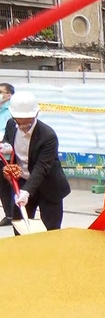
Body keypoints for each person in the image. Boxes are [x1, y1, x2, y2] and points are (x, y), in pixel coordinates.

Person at [0, 91, 71, 232]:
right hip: (22, 182)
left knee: (51, 230)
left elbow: (42, 167)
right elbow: (8, 140)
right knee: (20, 227)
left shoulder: (48, 136)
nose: (23, 127)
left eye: (28, 123)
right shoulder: (11, 125)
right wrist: (6, 147)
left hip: (49, 186)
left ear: (36, 114)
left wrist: (26, 192)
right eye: (19, 122)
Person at [0, 82, 13, 226]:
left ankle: (17, 214)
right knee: (2, 187)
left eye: (0, 92)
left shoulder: (12, 111)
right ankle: (8, 215)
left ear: (8, 95)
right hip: (0, 156)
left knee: (13, 185)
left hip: (10, 156)